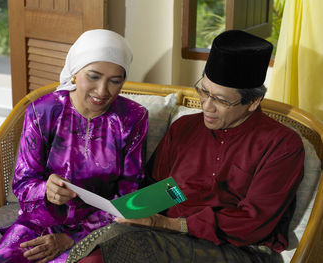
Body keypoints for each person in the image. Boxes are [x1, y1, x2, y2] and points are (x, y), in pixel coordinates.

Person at [66, 30, 305, 263]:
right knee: (108, 241)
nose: (207, 107)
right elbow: (157, 188)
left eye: (220, 100)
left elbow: (254, 221)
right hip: (168, 238)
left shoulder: (282, 144)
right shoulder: (185, 129)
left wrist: (168, 224)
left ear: (253, 102)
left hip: (240, 249)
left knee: (121, 246)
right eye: (204, 92)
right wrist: (112, 207)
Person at [0, 29, 148, 263]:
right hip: (39, 222)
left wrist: (73, 236)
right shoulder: (43, 111)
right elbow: (23, 183)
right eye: (94, 76)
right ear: (75, 72)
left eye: (115, 81)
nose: (103, 91)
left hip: (97, 228)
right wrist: (45, 189)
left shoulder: (132, 118)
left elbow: (129, 195)